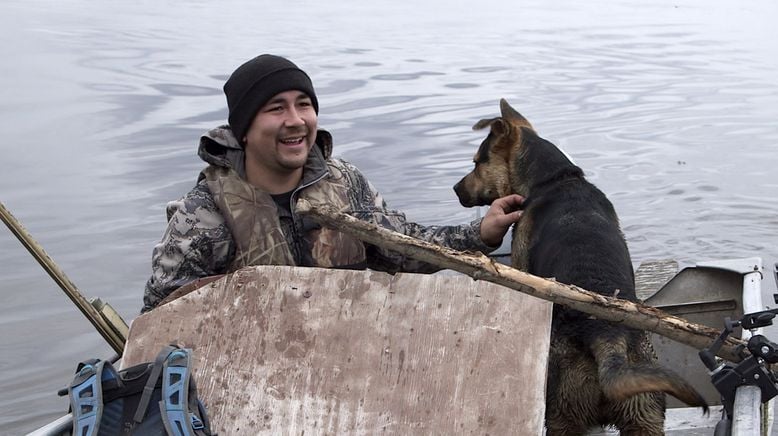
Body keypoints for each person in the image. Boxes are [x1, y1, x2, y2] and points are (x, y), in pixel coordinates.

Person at [141, 54, 523, 313]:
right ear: (243, 130)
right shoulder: (204, 213)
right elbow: (160, 318)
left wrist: (481, 234)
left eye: (304, 104)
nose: (296, 120)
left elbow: (404, 248)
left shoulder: (346, 183)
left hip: (345, 364)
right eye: (276, 108)